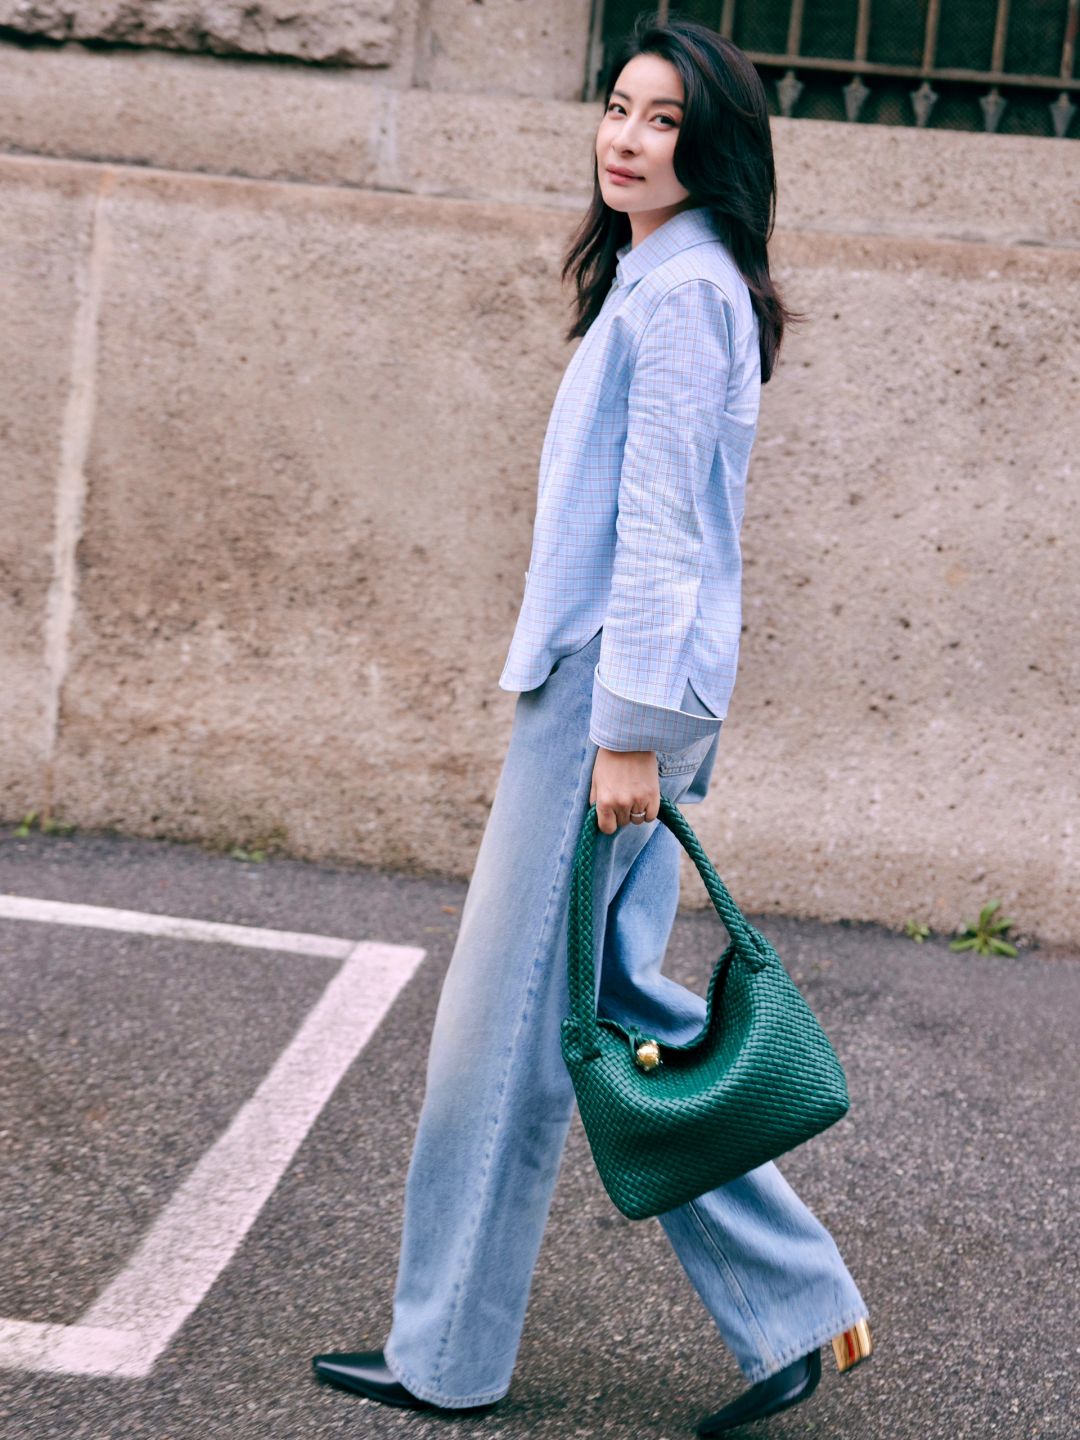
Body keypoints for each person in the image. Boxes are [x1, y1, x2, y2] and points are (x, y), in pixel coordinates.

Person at [312, 14, 873, 1436]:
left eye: (664, 119)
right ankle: (798, 1307)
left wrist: (622, 730)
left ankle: (448, 1358)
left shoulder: (683, 295)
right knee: (601, 1007)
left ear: (714, 146)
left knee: (495, 1039)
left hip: (607, 705)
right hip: (620, 696)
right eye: (618, 106)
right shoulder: (662, 272)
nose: (626, 137)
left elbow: (665, 529)